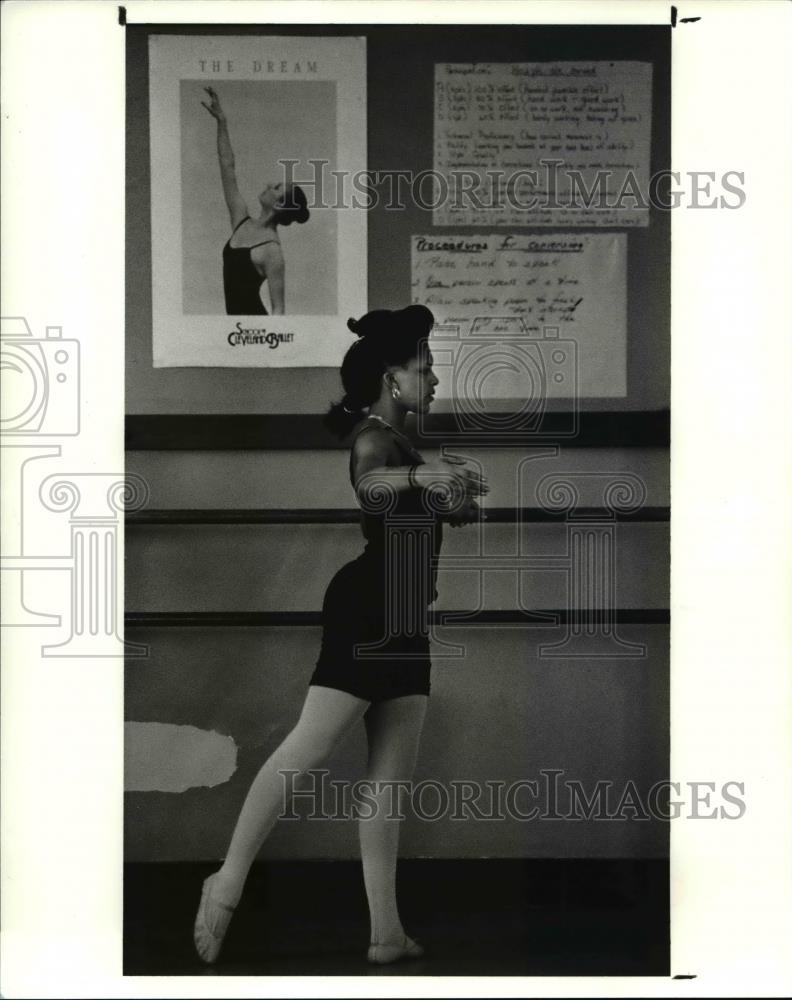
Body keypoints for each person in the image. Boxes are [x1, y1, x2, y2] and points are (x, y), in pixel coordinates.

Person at [193, 304, 488, 966]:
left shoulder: (402, 441)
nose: (434, 380)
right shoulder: (374, 436)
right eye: (424, 368)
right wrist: (423, 477)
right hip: (367, 610)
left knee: (390, 780)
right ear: (392, 376)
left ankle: (386, 932)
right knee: (305, 750)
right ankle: (228, 881)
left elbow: (414, 507)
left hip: (405, 620)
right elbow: (369, 487)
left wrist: (456, 501)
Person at [201, 86, 310, 315]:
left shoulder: (272, 251)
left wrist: (268, 350)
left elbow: (278, 311)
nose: (270, 184)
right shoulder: (240, 218)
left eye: (277, 187)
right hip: (233, 328)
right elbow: (227, 165)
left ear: (280, 204)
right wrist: (222, 122)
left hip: (251, 333)